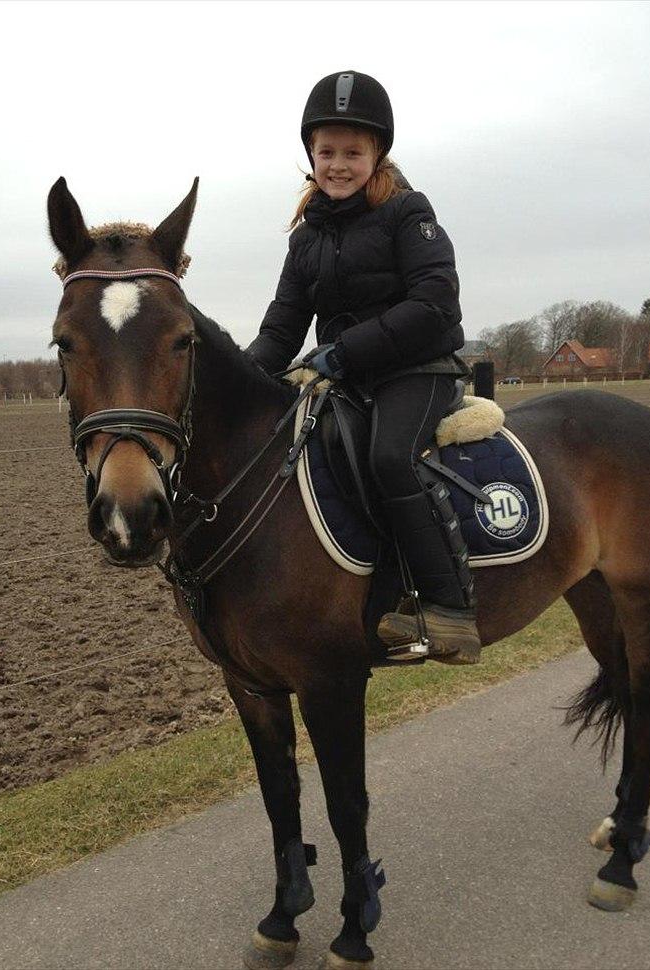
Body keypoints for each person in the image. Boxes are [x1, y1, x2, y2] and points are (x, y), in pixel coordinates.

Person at [247, 70, 480, 664]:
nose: (339, 164)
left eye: (354, 151)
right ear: (311, 157)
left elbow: (434, 304)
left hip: (419, 370)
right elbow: (280, 329)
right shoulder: (306, 241)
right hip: (349, 379)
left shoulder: (409, 213)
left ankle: (449, 609)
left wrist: (344, 352)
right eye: (328, 152)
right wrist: (238, 383)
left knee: (387, 458)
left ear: (377, 155)